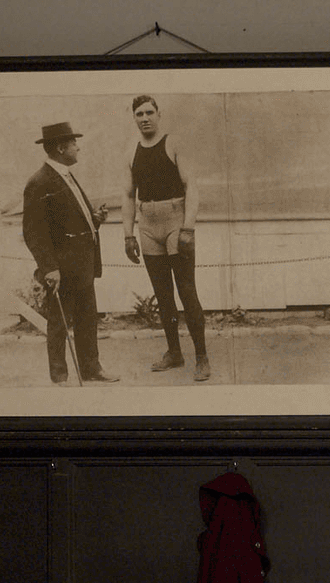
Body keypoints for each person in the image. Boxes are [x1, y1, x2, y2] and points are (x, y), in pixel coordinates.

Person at [122, 96, 209, 382]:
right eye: (139, 114)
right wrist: (127, 235)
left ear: (159, 114)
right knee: (162, 294)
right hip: (147, 224)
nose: (145, 118)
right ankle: (174, 352)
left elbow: (191, 186)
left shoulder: (173, 143)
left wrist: (188, 228)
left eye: (149, 112)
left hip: (175, 221)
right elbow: (128, 195)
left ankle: (201, 356)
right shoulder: (131, 151)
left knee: (187, 290)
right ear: (134, 118)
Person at [22, 121, 115, 385]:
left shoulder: (67, 175)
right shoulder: (39, 182)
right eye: (74, 143)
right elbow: (33, 232)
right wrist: (50, 268)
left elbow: (69, 220)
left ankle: (91, 369)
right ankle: (59, 376)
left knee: (87, 318)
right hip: (61, 268)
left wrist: (94, 219)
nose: (78, 148)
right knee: (59, 323)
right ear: (61, 148)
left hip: (83, 263)